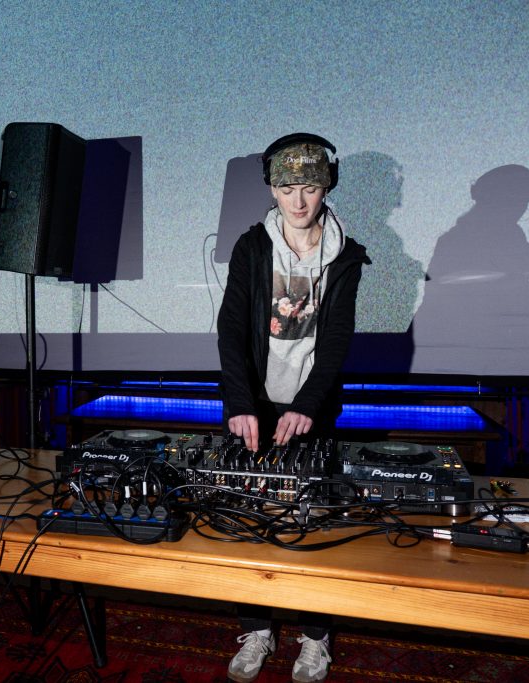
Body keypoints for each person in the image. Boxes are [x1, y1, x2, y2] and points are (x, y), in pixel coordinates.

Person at [217, 133, 369, 683]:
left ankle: (314, 638)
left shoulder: (346, 255)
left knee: (313, 525)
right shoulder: (252, 247)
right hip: (252, 404)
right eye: (287, 189)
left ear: (326, 186)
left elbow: (337, 339)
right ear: (272, 190)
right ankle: (257, 629)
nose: (299, 202)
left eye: (309, 188)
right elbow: (232, 327)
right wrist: (239, 401)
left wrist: (307, 403)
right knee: (248, 518)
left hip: (313, 408)